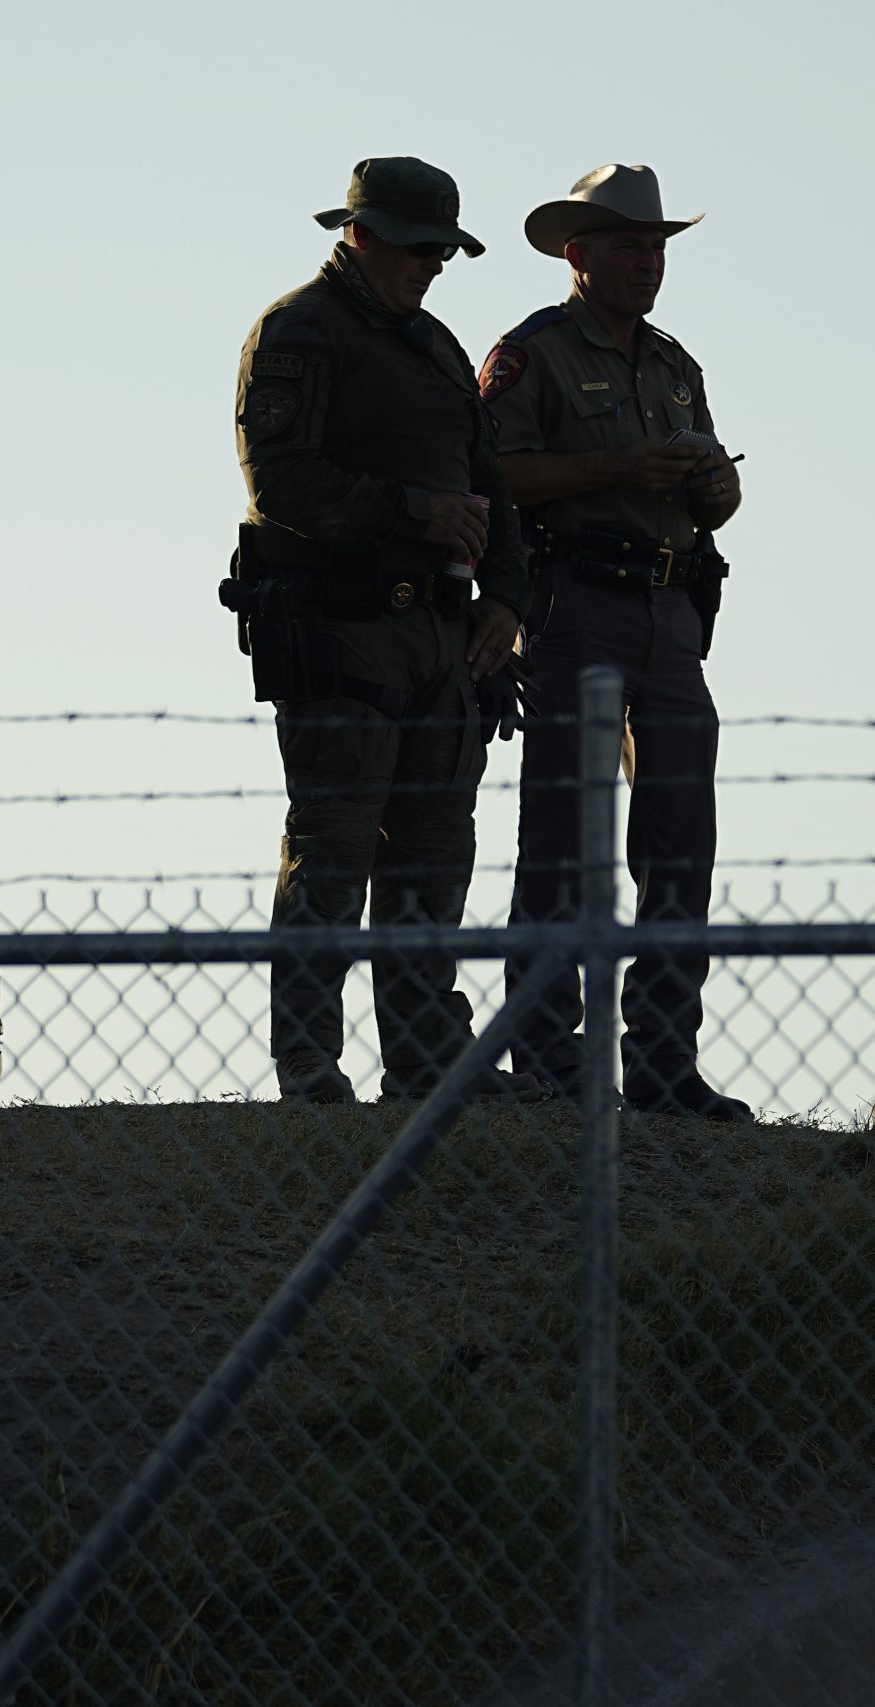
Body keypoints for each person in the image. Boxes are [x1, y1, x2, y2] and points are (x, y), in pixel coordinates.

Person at [227, 157, 544, 1105]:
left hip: (443, 641)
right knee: (334, 847)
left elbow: (493, 488)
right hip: (341, 629)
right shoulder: (297, 333)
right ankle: (310, 1062)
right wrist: (415, 511)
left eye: (442, 250)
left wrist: (508, 602)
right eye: (414, 247)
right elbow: (279, 484)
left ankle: (422, 1057)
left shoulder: (440, 350)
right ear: (358, 234)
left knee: (435, 854)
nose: (430, 265)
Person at [480, 165, 749, 1121]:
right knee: (561, 848)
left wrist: (716, 490)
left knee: (681, 845)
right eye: (630, 247)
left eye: (658, 247)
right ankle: (547, 1059)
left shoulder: (677, 365)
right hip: (573, 611)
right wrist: (613, 465)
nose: (648, 262)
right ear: (576, 253)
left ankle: (665, 1063)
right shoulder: (530, 356)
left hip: (672, 618)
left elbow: (714, 489)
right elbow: (492, 477)